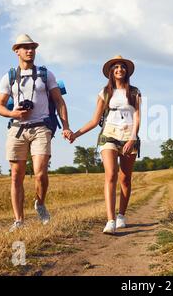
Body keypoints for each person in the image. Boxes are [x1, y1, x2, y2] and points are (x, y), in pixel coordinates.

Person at [0, 34, 72, 232]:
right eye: (25, 47)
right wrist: (13, 113)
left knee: (40, 173)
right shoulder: (9, 77)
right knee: (16, 176)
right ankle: (19, 220)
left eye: (32, 47)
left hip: (41, 127)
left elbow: (59, 101)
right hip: (17, 128)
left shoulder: (46, 75)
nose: (29, 50)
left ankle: (40, 203)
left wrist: (65, 126)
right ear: (17, 51)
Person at [69, 55, 141, 234]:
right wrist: (76, 134)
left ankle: (121, 216)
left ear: (126, 71)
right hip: (108, 134)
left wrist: (133, 138)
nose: (119, 69)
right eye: (116, 67)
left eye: (122, 67)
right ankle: (110, 220)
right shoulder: (104, 92)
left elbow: (138, 116)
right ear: (111, 71)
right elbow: (94, 121)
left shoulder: (134, 92)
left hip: (129, 136)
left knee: (125, 178)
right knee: (111, 174)